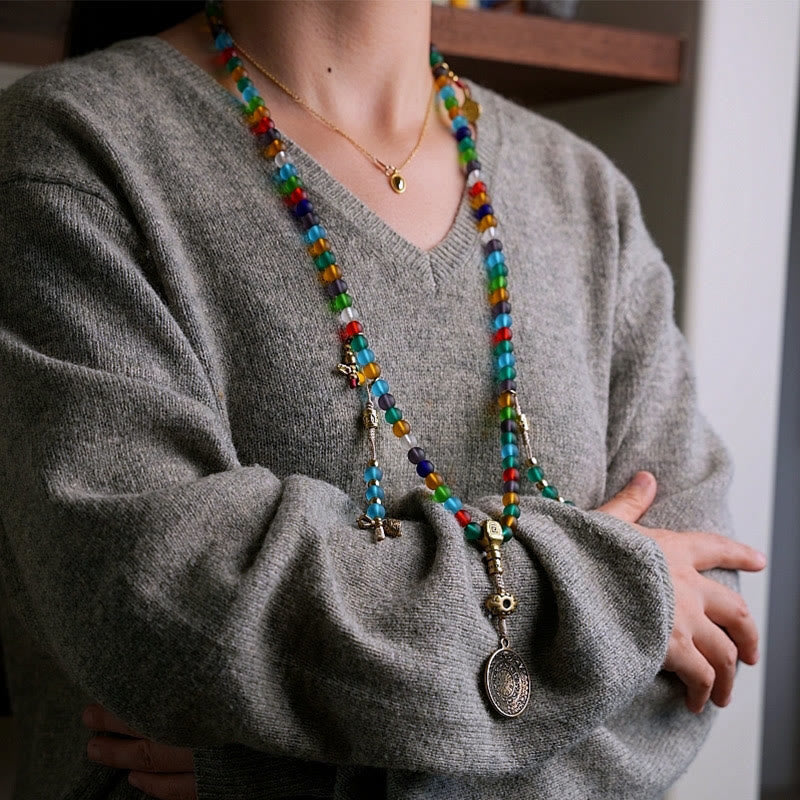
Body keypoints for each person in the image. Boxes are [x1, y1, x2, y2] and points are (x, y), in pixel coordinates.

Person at [0, 1, 765, 798]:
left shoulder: (585, 193)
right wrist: (615, 601)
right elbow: (162, 601)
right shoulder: (71, 151)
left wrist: (308, 777)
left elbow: (693, 659)